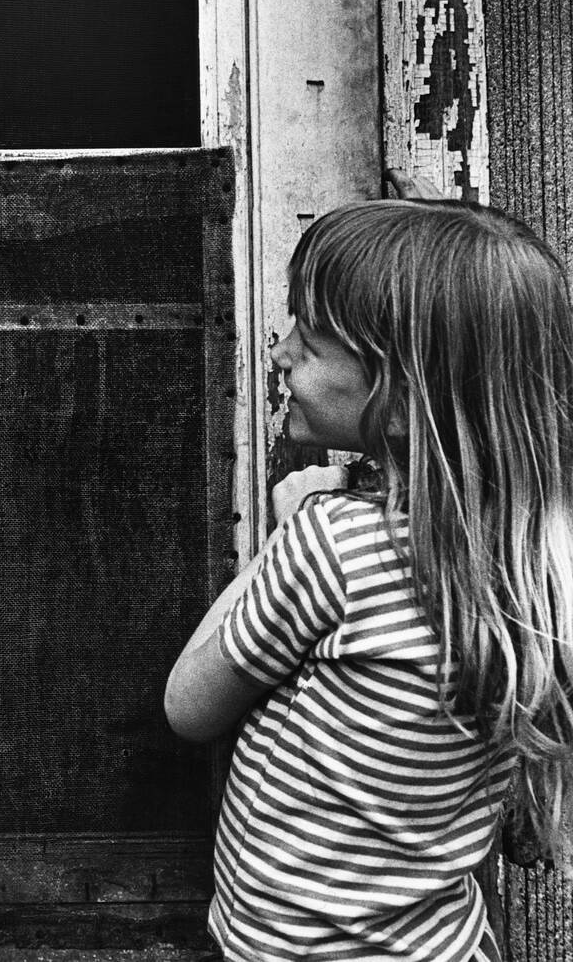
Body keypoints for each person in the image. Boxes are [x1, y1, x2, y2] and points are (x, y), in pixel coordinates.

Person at [165, 197, 573, 962]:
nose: (280, 353)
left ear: (399, 394)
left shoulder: (335, 545)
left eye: (309, 341)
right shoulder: (541, 559)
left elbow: (188, 706)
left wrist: (286, 542)